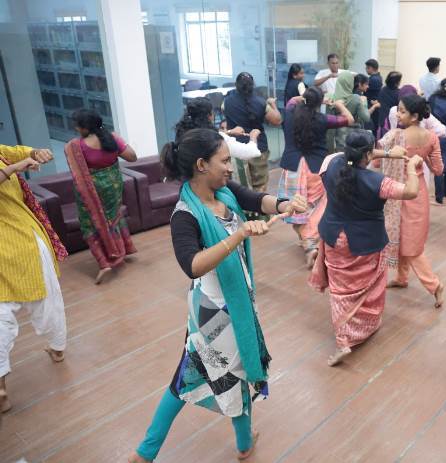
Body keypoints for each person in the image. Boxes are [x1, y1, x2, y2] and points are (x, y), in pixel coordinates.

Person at [128, 128, 306, 463]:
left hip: (232, 304)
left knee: (199, 376)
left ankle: (152, 451)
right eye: (223, 161)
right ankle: (153, 451)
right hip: (213, 312)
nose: (229, 167)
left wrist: (285, 203)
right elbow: (192, 265)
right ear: (200, 165)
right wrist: (238, 235)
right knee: (204, 376)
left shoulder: (223, 193)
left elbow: (254, 199)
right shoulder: (186, 213)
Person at [309, 130, 422, 366]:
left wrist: (387, 153)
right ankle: (355, 333)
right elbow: (410, 191)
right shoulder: (378, 182)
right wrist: (411, 167)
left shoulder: (331, 164)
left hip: (334, 236)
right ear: (369, 154)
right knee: (367, 287)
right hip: (365, 241)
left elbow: (346, 155)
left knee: (341, 290)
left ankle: (344, 337)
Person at [0, 144, 67, 415]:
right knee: (47, 300)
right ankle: (58, 348)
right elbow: (15, 162)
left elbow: (20, 151)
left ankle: (1, 387)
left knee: (2, 317)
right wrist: (16, 167)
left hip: (20, 241)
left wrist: (37, 153)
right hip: (20, 239)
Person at [378, 94, 445, 307]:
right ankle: (402, 277)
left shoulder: (394, 136)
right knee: (407, 239)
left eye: (402, 111)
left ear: (415, 115)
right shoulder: (431, 137)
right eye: (398, 109)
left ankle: (434, 285)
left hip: (397, 192)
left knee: (411, 247)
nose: (397, 114)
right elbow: (438, 169)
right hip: (418, 193)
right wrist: (419, 160)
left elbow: (375, 164)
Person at [278, 87, 354, 268]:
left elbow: (292, 101)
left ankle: (306, 240)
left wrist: (305, 97)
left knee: (296, 208)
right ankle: (310, 243)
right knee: (317, 207)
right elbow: (349, 120)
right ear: (319, 103)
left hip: (293, 168)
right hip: (315, 168)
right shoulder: (322, 119)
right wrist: (338, 105)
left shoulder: (289, 113)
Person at [66, 109, 138, 283]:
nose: (76, 129)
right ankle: (123, 250)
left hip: (93, 191)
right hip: (113, 186)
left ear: (84, 127)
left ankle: (105, 262)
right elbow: (132, 157)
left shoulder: (76, 146)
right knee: (114, 217)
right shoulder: (111, 137)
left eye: (77, 126)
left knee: (90, 224)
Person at [175, 97, 261, 189]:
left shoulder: (184, 134)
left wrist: (228, 132)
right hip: (210, 187)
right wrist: (253, 136)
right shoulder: (217, 139)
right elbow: (251, 152)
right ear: (210, 116)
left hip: (189, 184)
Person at [223, 72, 282, 192]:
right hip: (258, 148)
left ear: (236, 85)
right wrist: (273, 104)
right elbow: (277, 120)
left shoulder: (226, 102)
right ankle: (259, 208)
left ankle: (244, 209)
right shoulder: (261, 102)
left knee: (240, 186)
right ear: (253, 85)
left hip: (236, 148)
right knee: (260, 185)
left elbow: (225, 117)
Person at [331, 71, 376, 151]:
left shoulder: (332, 98)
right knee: (351, 161)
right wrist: (364, 103)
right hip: (353, 138)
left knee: (342, 160)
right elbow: (366, 118)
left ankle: (347, 163)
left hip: (339, 137)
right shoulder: (355, 98)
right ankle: (350, 163)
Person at [375, 71, 402, 138]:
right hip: (392, 122)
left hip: (382, 121)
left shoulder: (382, 90)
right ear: (396, 82)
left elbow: (379, 102)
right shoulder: (399, 93)